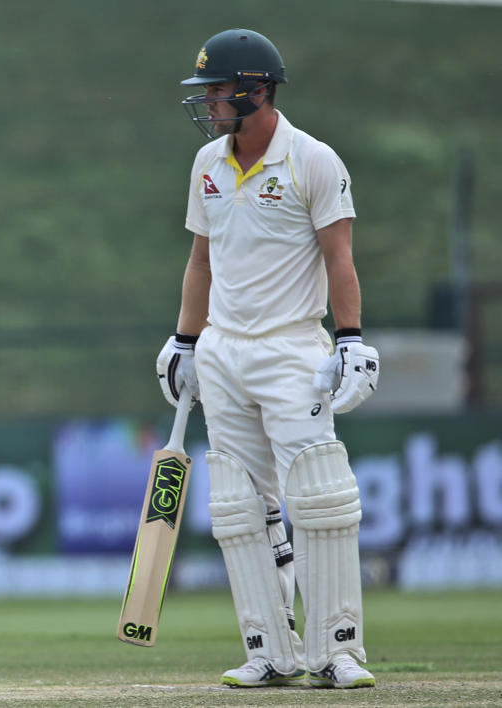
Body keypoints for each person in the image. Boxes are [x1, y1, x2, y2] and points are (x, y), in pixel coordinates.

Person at [156, 28, 379, 689]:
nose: (208, 102)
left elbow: (339, 258)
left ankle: (336, 651)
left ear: (255, 90)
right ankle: (268, 651)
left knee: (317, 495)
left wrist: (350, 338)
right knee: (236, 505)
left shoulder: (312, 160)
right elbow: (200, 262)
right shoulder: (205, 164)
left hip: (290, 347)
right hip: (223, 351)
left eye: (216, 91)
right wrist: (184, 341)